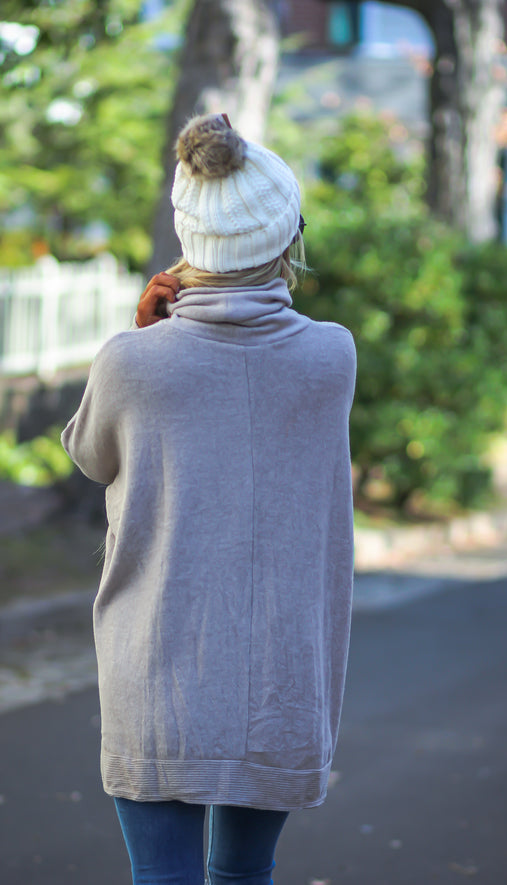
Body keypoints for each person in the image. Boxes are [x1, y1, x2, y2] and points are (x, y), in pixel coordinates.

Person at [61, 113, 356, 885]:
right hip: (280, 681)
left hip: (157, 668)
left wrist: (137, 335)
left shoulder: (132, 362)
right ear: (289, 238)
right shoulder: (333, 356)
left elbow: (90, 455)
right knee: (241, 877)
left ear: (190, 243)